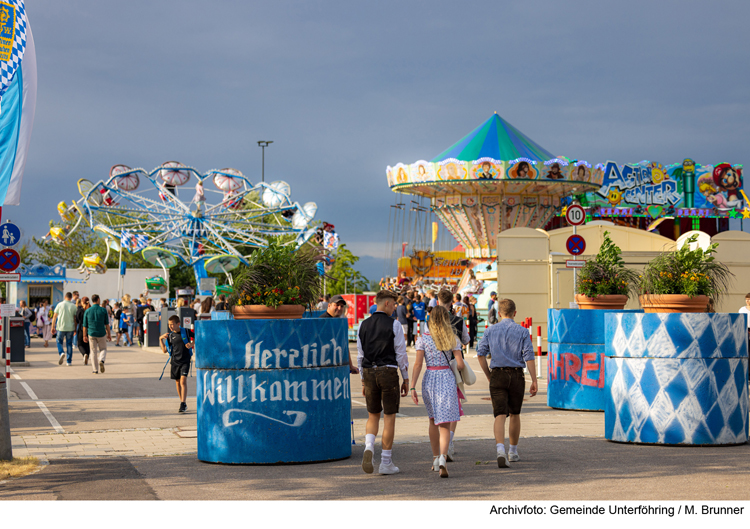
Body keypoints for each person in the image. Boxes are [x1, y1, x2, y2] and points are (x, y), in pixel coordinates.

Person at [476, 298, 537, 468]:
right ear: (515, 313)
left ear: (500, 313)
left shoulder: (490, 330)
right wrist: (533, 380)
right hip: (517, 375)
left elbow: (480, 354)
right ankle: (513, 451)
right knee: (515, 414)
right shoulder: (523, 332)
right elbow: (529, 357)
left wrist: (489, 375)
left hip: (498, 374)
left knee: (500, 414)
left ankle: (500, 449)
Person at [356, 290, 409, 475]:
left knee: (373, 415)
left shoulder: (363, 325)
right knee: (389, 417)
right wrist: (406, 377)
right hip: (388, 371)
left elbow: (360, 356)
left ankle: (369, 446)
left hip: (369, 372)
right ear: (386, 303)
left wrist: (363, 380)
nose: (395, 307)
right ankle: (386, 462)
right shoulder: (394, 325)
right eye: (394, 304)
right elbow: (401, 354)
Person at [409, 305, 465, 478]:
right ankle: (442, 458)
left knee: (433, 420)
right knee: (445, 424)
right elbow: (460, 364)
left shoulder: (423, 339)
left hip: (430, 378)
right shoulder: (452, 338)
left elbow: (418, 364)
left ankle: (434, 458)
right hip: (446, 378)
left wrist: (412, 386)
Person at [436, 289, 469, 459]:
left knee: (437, 407)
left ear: (437, 301)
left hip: (435, 367)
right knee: (454, 405)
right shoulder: (458, 320)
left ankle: (441, 444)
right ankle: (449, 441)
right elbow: (466, 340)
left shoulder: (431, 320)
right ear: (452, 303)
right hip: (454, 366)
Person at [160, 315, 194, 413]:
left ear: (178, 324)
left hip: (185, 361)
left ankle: (183, 403)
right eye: (169, 325)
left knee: (183, 381)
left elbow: (198, 337)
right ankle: (182, 402)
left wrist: (191, 344)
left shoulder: (186, 332)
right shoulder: (170, 336)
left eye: (172, 324)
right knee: (178, 382)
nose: (170, 327)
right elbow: (164, 350)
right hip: (175, 362)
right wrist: (160, 339)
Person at [321, 295, 359, 374]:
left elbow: (344, 344)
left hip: (337, 367)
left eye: (341, 306)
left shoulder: (340, 322)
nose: (339, 308)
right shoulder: (322, 321)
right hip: (325, 368)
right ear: (329, 305)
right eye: (336, 305)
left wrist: (350, 366)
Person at [83, 295, 112, 374]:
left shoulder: (87, 311)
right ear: (98, 299)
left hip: (91, 333)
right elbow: (107, 324)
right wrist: (109, 334)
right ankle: (101, 360)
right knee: (103, 349)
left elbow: (85, 325)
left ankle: (95, 369)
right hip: (101, 333)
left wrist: (84, 335)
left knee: (93, 351)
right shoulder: (103, 310)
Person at [52, 292, 78, 366]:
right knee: (69, 344)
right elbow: (75, 318)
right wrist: (75, 328)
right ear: (71, 298)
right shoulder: (73, 306)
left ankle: (61, 352)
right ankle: (69, 361)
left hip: (61, 327)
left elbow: (54, 316)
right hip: (70, 327)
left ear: (65, 297)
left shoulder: (60, 304)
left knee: (59, 341)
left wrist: (53, 327)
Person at [75, 297, 91, 365]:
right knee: (88, 344)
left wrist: (75, 329)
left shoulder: (80, 310)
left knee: (80, 344)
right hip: (89, 329)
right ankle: (87, 355)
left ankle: (84, 354)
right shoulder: (90, 310)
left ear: (82, 302)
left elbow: (77, 320)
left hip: (81, 329)